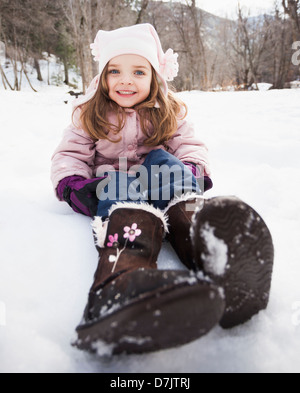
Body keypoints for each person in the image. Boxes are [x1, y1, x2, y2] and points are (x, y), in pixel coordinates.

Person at [51, 24, 274, 355]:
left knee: (166, 162)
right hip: (116, 188)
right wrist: (75, 186)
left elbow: (189, 146)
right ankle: (121, 285)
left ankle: (215, 256)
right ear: (103, 77)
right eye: (115, 71)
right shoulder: (89, 114)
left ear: (155, 76)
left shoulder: (167, 110)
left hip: (163, 186)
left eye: (138, 71)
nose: (126, 80)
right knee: (120, 181)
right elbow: (69, 157)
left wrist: (194, 170)